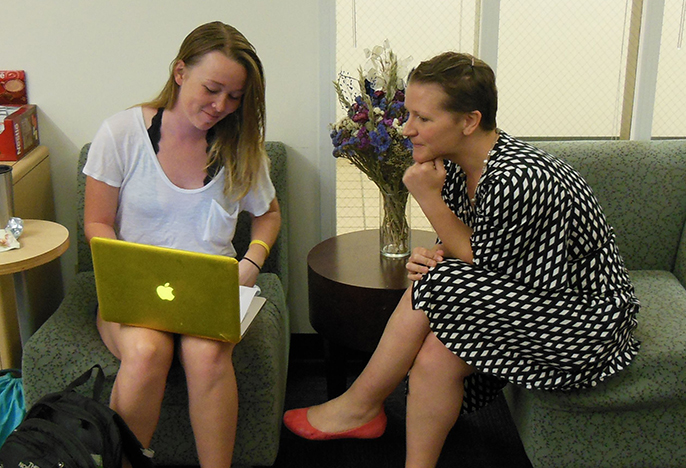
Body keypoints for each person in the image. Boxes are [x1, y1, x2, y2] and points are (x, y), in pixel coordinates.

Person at [283, 52, 640, 468]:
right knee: (437, 352)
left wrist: (427, 200)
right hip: (529, 298)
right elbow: (467, 247)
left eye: (423, 118)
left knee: (438, 283)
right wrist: (430, 253)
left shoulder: (517, 178)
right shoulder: (455, 166)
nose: (407, 128)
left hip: (584, 321)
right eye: (408, 114)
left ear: (469, 121)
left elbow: (486, 264)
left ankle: (360, 405)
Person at [83, 21, 280, 467]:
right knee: (148, 350)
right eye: (212, 89)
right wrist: (127, 267)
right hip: (135, 291)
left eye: (234, 97)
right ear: (179, 72)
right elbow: (95, 222)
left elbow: (268, 215)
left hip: (210, 291)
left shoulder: (241, 146)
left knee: (206, 354)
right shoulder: (121, 134)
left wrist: (252, 260)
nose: (220, 106)